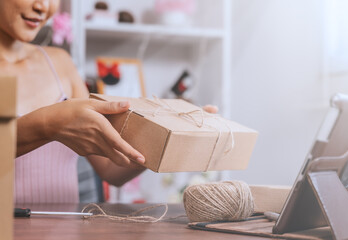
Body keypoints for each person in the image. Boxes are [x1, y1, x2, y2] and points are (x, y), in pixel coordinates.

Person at [0, 0, 217, 203]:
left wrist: (166, 138)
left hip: (65, 229)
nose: (43, 6)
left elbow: (110, 168)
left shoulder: (60, 63)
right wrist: (48, 124)